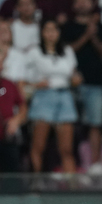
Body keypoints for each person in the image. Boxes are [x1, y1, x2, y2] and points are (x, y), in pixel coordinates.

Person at [62, 0, 102, 174]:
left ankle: (95, 166)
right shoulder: (67, 27)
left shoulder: (101, 27)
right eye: (79, 1)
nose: (82, 4)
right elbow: (65, 51)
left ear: (92, 4)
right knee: (69, 125)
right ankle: (71, 166)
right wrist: (86, 36)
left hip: (96, 82)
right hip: (70, 83)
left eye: (86, 1)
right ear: (73, 5)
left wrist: (94, 35)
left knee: (95, 124)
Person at [27, 19, 79, 174]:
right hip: (44, 96)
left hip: (65, 96)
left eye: (54, 30)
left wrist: (76, 80)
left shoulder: (67, 51)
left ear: (59, 32)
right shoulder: (34, 52)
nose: (51, 34)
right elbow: (25, 79)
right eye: (47, 30)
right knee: (38, 146)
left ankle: (72, 189)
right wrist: (36, 84)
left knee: (67, 149)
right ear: (42, 33)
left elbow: (73, 74)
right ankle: (36, 186)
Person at [0, 47, 27, 173]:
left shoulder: (9, 84)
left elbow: (23, 107)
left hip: (7, 139)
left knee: (11, 179)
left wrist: (16, 120)